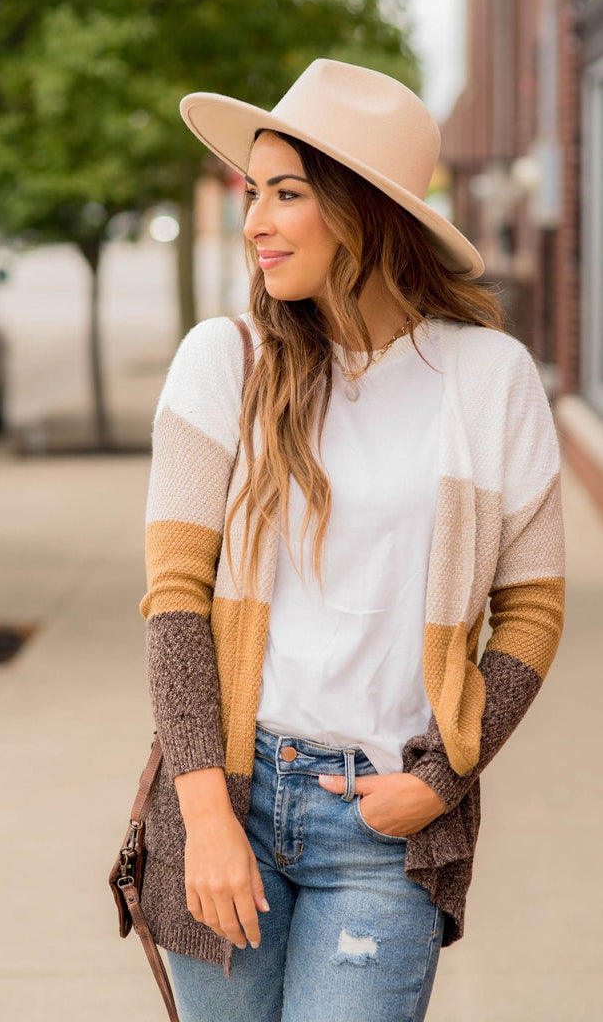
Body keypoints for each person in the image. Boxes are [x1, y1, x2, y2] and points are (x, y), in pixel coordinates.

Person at [137, 60, 565, 1022]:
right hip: (232, 797)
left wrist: (443, 779)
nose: (255, 222)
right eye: (254, 193)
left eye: (286, 194)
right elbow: (175, 598)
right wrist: (206, 817)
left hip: (381, 827)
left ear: (365, 210)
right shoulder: (225, 363)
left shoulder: (487, 379)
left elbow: (531, 609)